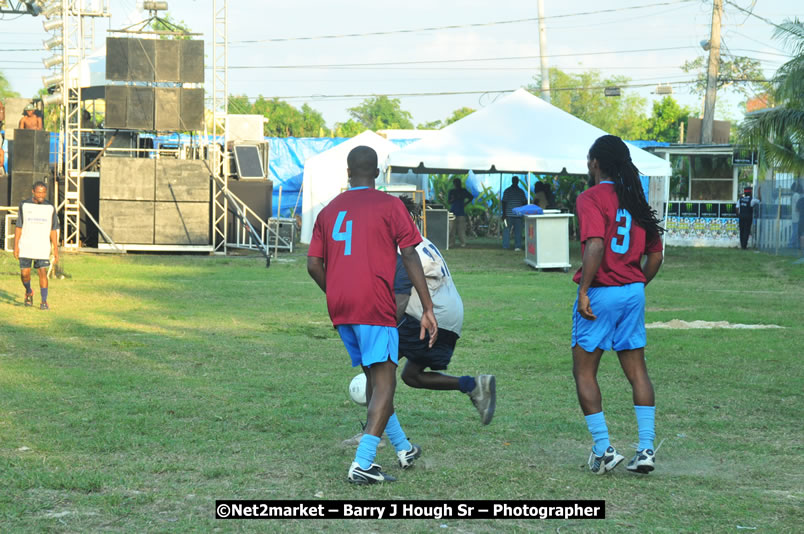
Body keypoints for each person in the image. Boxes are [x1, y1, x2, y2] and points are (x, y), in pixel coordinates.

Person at [307, 145, 438, 485]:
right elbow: (409, 254)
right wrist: (427, 307)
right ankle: (363, 462)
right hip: (374, 306)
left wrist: (335, 291)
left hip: (342, 308)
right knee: (385, 381)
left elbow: (313, 264)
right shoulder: (390, 205)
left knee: (376, 377)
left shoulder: (328, 210)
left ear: (348, 173)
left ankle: (404, 448)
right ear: (377, 173)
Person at [572, 135, 664, 475]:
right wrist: (636, 282)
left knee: (584, 370)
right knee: (637, 369)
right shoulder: (635, 197)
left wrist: (584, 290)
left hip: (602, 290)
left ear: (595, 163)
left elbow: (595, 244)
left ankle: (603, 449)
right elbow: (656, 253)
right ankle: (646, 449)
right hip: (632, 292)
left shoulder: (590, 197)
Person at [394, 196, 496, 423]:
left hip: (431, 317)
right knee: (411, 375)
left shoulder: (404, 249)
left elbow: (400, 299)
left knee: (379, 369)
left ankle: (374, 433)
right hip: (451, 317)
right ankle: (473, 386)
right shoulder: (422, 240)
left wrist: (380, 330)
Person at [14, 181, 59, 310]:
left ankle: (44, 301)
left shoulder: (50, 207)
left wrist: (55, 249)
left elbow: (53, 229)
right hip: (26, 245)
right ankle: (29, 291)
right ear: (33, 191)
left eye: (43, 192)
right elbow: (19, 226)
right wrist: (16, 246)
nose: (41, 195)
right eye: (39, 192)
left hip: (42, 247)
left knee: (42, 273)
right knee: (24, 274)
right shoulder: (24, 205)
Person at [502, 176, 527, 250]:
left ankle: (506, 246)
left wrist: (504, 213)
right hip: (516, 215)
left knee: (507, 230)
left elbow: (504, 202)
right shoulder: (521, 191)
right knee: (517, 231)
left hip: (509, 214)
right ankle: (517, 246)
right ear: (516, 181)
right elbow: (524, 202)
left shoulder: (507, 191)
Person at [447, 178, 473, 248]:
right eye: (456, 183)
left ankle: (463, 243)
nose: (457, 184)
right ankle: (451, 243)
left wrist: (465, 203)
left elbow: (471, 197)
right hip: (453, 212)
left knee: (461, 229)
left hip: (461, 212)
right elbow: (449, 201)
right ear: (454, 184)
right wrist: (453, 199)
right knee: (451, 229)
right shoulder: (452, 191)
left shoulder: (463, 191)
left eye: (458, 182)